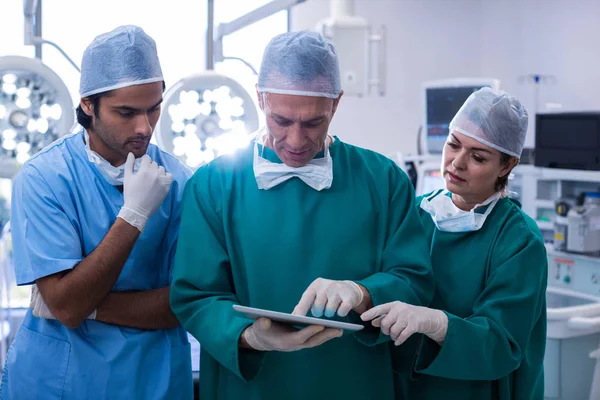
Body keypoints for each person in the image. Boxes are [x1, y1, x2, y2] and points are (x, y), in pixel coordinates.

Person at [170, 31, 435, 400]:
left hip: (354, 382)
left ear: (337, 103)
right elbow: (195, 295)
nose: (295, 141)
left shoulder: (383, 180)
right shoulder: (214, 184)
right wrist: (249, 335)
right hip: (252, 386)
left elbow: (414, 279)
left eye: (312, 123)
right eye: (281, 120)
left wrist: (363, 293)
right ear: (261, 98)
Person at [0, 25, 193, 399]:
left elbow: (183, 303)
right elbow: (69, 305)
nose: (145, 127)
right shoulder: (43, 179)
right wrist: (133, 215)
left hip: (152, 380)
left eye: (154, 108)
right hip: (58, 382)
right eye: (126, 112)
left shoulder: (180, 181)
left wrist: (81, 305)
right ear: (88, 104)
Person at [361, 87, 548, 400]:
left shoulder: (518, 240)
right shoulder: (414, 215)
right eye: (453, 144)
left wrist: (435, 322)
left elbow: (502, 345)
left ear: (506, 166)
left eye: (477, 157)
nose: (457, 163)